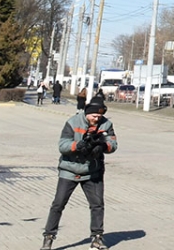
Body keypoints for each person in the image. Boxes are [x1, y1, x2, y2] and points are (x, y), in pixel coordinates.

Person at [43, 97, 119, 250]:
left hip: (93, 172)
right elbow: (62, 145)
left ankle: (97, 238)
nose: (96, 119)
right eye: (93, 116)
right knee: (58, 204)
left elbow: (113, 144)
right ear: (86, 113)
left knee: (97, 205)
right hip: (69, 170)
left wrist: (103, 146)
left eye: (99, 116)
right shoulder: (73, 122)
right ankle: (48, 238)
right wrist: (78, 145)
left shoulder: (106, 124)